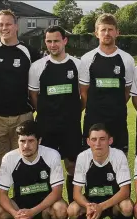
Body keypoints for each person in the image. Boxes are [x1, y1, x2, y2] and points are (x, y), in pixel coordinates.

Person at [0, 9, 41, 190]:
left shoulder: (29, 52)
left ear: (16, 26)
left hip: (24, 114)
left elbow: (39, 83)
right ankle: (3, 206)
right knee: (0, 163)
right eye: (0, 25)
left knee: (26, 160)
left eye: (8, 24)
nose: (4, 28)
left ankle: (24, 203)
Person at [28, 25, 87, 206]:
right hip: (46, 126)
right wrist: (47, 113)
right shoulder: (37, 66)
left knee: (72, 166)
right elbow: (34, 96)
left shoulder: (77, 65)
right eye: (49, 41)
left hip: (71, 126)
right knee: (45, 167)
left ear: (65, 41)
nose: (53, 45)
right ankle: (48, 208)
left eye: (56, 41)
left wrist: (73, 113)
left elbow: (83, 95)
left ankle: (72, 206)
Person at [0, 120, 68, 219]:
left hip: (44, 207)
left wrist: (33, 212)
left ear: (39, 141)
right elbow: (1, 194)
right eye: (22, 141)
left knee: (61, 209)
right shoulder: (9, 158)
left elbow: (57, 192)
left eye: (31, 141)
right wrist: (15, 214)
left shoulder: (52, 155)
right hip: (20, 206)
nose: (26, 146)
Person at [68, 123, 134, 219]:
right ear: (88, 141)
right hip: (91, 204)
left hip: (113, 203)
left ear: (110, 140)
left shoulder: (118, 155)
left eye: (102, 139)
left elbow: (125, 191)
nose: (98, 143)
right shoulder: (83, 157)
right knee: (72, 210)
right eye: (94, 139)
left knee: (127, 206)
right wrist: (88, 206)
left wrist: (101, 207)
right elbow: (76, 193)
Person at [79, 13, 135, 155]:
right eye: (103, 30)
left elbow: (127, 90)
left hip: (117, 119)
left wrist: (115, 106)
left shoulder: (127, 59)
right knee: (91, 161)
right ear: (96, 33)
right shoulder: (87, 59)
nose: (107, 33)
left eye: (110, 29)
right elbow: (84, 92)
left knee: (119, 160)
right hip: (93, 119)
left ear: (117, 32)